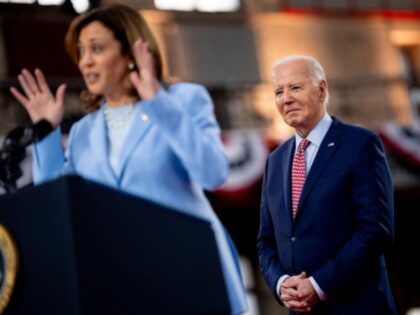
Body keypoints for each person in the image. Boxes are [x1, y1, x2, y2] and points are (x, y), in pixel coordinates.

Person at [10, 5, 248, 314]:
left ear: (131, 51)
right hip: (127, 283)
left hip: (191, 271)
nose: (85, 61)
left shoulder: (183, 100)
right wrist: (47, 134)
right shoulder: (84, 131)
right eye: (80, 52)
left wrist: (157, 103)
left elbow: (214, 173)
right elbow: (60, 206)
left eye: (96, 49)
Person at [257, 55, 397, 315]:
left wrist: (319, 285)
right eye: (278, 91)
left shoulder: (360, 144)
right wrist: (281, 283)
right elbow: (266, 241)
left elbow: (375, 231)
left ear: (321, 90)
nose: (285, 98)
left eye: (295, 88)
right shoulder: (274, 161)